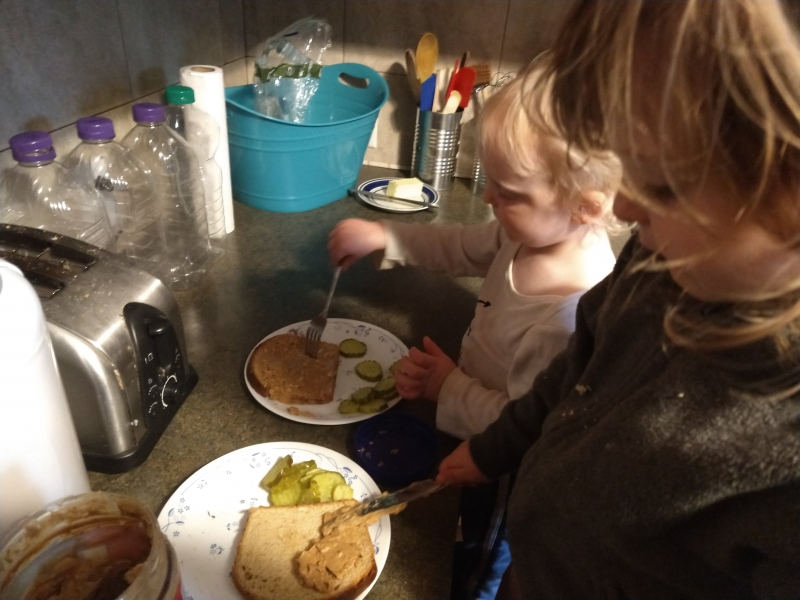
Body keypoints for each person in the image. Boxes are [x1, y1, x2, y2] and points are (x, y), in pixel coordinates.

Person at [436, 1, 800, 598]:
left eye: (659, 184)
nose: (624, 211)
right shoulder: (662, 258)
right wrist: (493, 448)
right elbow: (573, 373)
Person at [328, 71, 622, 599]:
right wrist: (384, 235)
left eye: (507, 192)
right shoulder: (525, 234)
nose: (487, 198)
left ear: (587, 206)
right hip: (468, 420)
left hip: (506, 472)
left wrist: (449, 388)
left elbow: (527, 428)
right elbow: (459, 246)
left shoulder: (567, 315)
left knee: (478, 560)